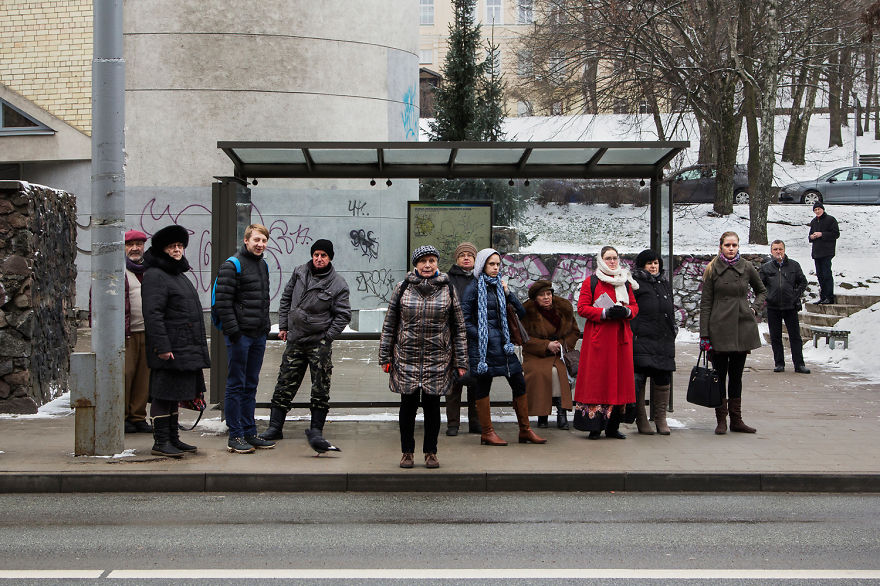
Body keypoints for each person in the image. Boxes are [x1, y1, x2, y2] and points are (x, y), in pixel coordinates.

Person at [379, 245, 468, 469]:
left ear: (437, 263)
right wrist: (385, 356)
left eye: (431, 261)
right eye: (422, 261)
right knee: (407, 406)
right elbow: (390, 324)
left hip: (438, 359)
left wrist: (461, 361)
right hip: (406, 357)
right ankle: (407, 452)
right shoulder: (403, 288)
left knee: (432, 407)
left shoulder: (448, 288)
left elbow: (459, 327)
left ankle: (431, 452)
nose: (427, 265)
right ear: (415, 264)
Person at [261, 239, 352, 444]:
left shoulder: (338, 283)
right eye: (316, 254)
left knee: (320, 387)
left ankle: (316, 431)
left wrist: (327, 336)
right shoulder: (299, 272)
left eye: (324, 255)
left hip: (318, 342)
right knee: (284, 382)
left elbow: (344, 315)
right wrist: (283, 326)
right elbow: (285, 300)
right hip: (295, 339)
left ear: (330, 258)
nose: (319, 259)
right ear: (312, 255)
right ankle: (275, 427)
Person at [461, 248, 546, 446]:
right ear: (482, 265)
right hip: (484, 349)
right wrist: (484, 336)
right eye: (491, 264)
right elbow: (463, 321)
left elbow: (521, 312)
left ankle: (525, 430)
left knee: (519, 383)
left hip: (505, 346)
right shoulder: (473, 288)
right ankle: (487, 433)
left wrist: (508, 292)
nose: (495, 268)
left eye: (498, 264)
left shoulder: (500, 286)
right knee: (483, 386)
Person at [141, 225, 209, 457]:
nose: (178, 250)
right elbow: (153, 314)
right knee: (163, 394)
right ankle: (161, 441)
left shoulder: (176, 273)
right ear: (163, 249)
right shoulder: (155, 275)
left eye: (180, 246)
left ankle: (172, 438)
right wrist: (162, 347)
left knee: (174, 394)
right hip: (169, 347)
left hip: (183, 346)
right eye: (172, 247)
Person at [212, 223, 276, 454]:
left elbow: (263, 300)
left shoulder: (263, 265)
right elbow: (223, 302)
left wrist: (265, 326)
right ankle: (236, 434)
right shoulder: (233, 265)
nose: (260, 244)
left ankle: (250, 431)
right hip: (240, 336)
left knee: (251, 384)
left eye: (264, 240)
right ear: (246, 240)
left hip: (257, 334)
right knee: (236, 385)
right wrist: (234, 332)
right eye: (256, 240)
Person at [699, 231, 767, 435]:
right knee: (719, 376)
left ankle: (737, 420)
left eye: (734, 245)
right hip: (718, 328)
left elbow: (762, 290)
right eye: (727, 245)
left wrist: (753, 308)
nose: (731, 248)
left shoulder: (746, 267)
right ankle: (721, 420)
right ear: (720, 246)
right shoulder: (712, 269)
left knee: (736, 377)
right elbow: (706, 303)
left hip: (741, 328)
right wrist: (704, 334)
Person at [573, 246, 639, 439]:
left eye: (615, 258)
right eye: (608, 258)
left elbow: (634, 306)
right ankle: (594, 426)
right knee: (598, 382)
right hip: (599, 341)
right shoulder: (591, 282)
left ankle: (613, 426)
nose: (612, 262)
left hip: (620, 340)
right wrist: (604, 313)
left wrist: (626, 312)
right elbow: (582, 308)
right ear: (601, 260)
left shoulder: (625, 283)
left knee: (618, 382)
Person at [520, 280, 581, 430]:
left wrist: (561, 344)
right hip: (536, 354)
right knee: (539, 373)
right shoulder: (526, 312)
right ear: (535, 298)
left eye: (548, 294)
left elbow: (574, 332)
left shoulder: (564, 309)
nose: (546, 297)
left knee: (560, 372)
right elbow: (523, 337)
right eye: (542, 295)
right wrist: (546, 345)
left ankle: (562, 413)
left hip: (560, 353)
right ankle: (542, 414)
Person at [630, 249, 676, 435]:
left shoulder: (664, 283)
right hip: (643, 338)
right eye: (649, 263)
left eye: (656, 263)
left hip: (663, 337)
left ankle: (660, 418)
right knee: (640, 378)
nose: (653, 266)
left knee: (663, 377)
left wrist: (673, 329)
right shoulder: (634, 284)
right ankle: (641, 418)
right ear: (642, 265)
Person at [444, 241, 480, 436]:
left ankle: (475, 421)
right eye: (462, 255)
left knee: (476, 381)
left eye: (470, 255)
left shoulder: (481, 278)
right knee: (454, 383)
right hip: (453, 336)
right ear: (457, 259)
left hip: (475, 337)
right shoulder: (447, 279)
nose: (466, 258)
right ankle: (453, 424)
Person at [759, 240, 810, 374]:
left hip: (790, 306)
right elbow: (760, 285)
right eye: (775, 249)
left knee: (795, 337)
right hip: (773, 306)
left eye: (780, 249)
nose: (778, 251)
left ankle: (799, 364)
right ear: (771, 251)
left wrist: (795, 294)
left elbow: (803, 282)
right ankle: (779, 363)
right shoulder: (766, 268)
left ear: (784, 250)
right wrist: (767, 296)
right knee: (775, 337)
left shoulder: (794, 265)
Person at [123, 229, 152, 434]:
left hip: (148, 331)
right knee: (125, 375)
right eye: (130, 244)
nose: (135, 248)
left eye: (139, 244)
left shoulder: (150, 270)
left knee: (144, 377)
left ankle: (138, 416)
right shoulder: (117, 270)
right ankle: (122, 416)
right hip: (126, 333)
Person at [808, 202, 840, 304]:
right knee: (820, 275)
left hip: (827, 251)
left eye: (818, 209)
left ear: (823, 209)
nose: (817, 211)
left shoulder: (830, 219)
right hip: (816, 252)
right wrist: (811, 237)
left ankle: (829, 297)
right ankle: (823, 296)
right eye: (815, 210)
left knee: (827, 274)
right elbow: (810, 236)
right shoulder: (813, 221)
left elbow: (835, 234)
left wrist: (822, 234)